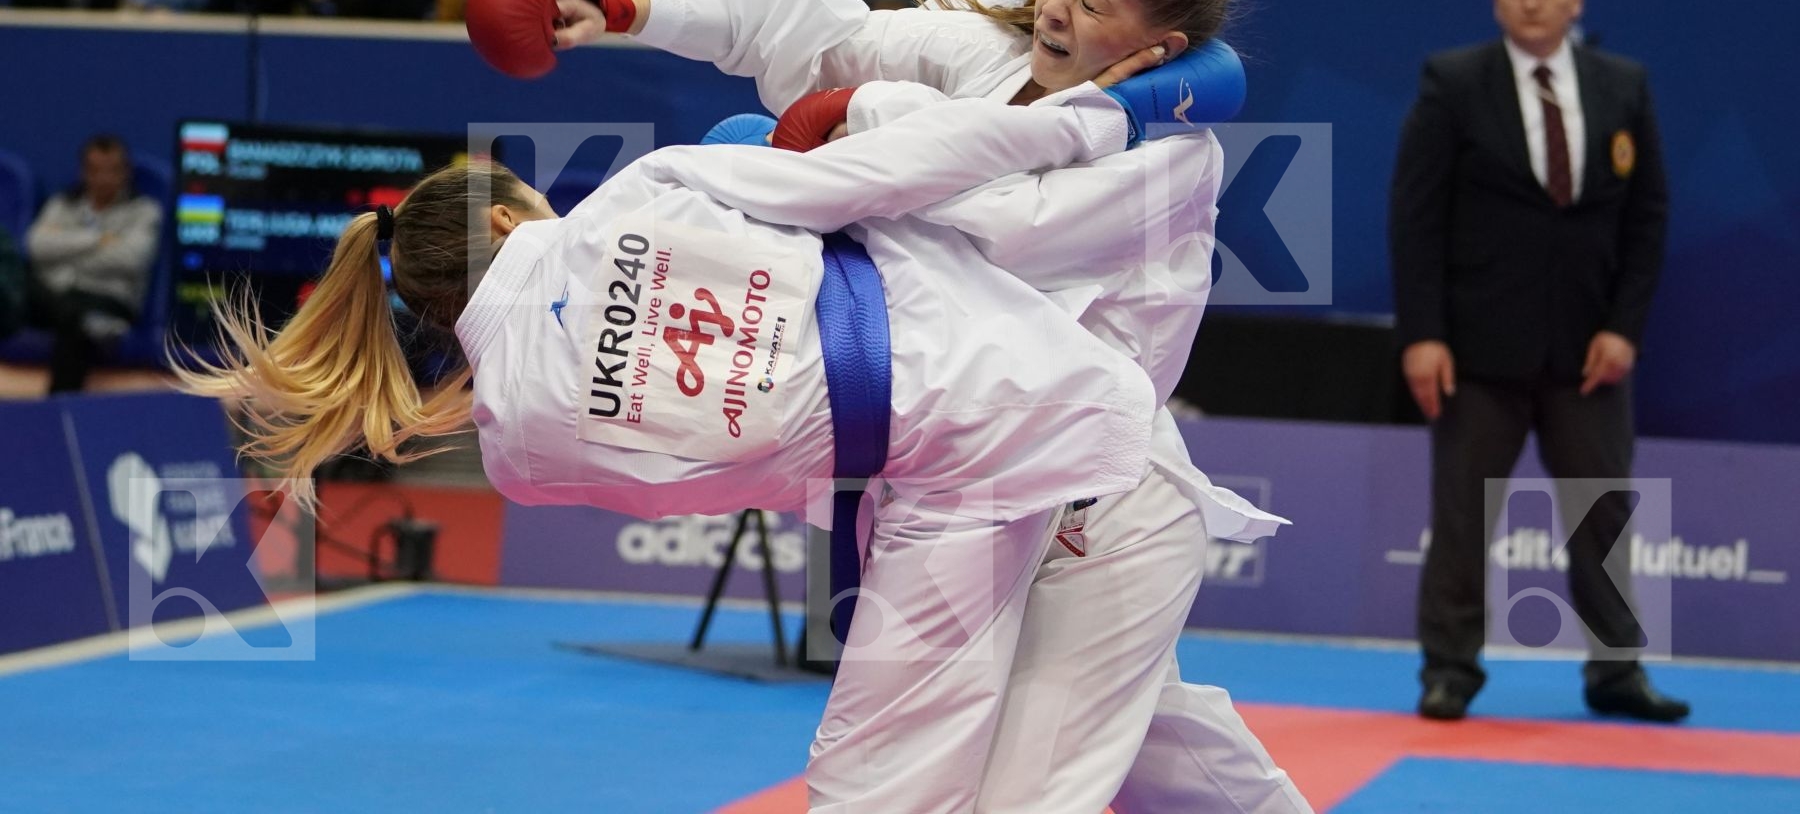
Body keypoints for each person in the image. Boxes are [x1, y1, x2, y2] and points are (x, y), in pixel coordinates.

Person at [177, 53, 1218, 806]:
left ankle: (1146, 135)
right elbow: (880, 178)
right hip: (1004, 362)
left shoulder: (517, 454)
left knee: (873, 789)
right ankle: (1160, 123)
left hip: (926, 486)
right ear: (505, 219)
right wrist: (1101, 115)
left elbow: (730, 472)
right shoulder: (645, 189)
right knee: (929, 151)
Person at [550, 0, 1308, 812]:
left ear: (1160, 47)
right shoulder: (984, 58)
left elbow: (1002, 218)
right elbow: (836, 38)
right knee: (1169, 758)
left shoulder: (1169, 162)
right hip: (975, 478)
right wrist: (632, 5)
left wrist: (848, 129)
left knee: (1032, 793)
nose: (1057, 7)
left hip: (1101, 509)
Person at [1390, 0, 1686, 725]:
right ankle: (1449, 671)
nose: (1531, 0)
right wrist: (1423, 334)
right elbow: (1415, 216)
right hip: (1475, 350)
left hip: (1589, 351)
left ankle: (1616, 671)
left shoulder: (1623, 85)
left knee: (1604, 513)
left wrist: (1625, 329)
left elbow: (1648, 217)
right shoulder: (1453, 82)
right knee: (1462, 517)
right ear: (1497, 1)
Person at [24, 135, 162, 393]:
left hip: (107, 302)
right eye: (95, 170)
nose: (103, 178)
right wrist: (100, 239)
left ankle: (58, 408)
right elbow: (36, 246)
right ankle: (86, 322)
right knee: (20, 287)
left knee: (73, 323)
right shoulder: (63, 204)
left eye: (112, 171)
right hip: (53, 297)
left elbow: (129, 259)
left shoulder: (144, 210)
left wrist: (64, 250)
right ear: (84, 172)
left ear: (125, 173)